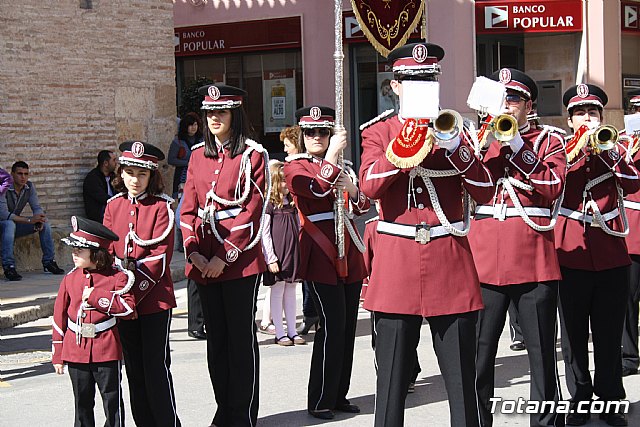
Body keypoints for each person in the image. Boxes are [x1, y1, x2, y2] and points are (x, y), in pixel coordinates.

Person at [358, 42, 494, 427]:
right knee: (392, 381)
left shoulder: (459, 129)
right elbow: (369, 186)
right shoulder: (379, 131)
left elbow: (485, 192)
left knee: (462, 379)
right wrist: (403, 148)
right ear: (395, 86)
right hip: (398, 259)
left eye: (428, 80)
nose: (421, 86)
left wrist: (456, 150)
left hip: (448, 258)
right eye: (412, 80)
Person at [468, 68, 566, 427]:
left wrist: (518, 146)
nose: (506, 104)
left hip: (532, 258)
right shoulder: (479, 140)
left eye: (513, 98)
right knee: (478, 354)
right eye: (501, 98)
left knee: (541, 354)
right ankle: (478, 420)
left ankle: (546, 422)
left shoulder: (549, 140)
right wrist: (477, 148)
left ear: (529, 105)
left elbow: (553, 186)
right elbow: (465, 188)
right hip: (484, 260)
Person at [180, 83, 269, 427]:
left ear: (235, 114)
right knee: (216, 342)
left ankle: (242, 414)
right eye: (210, 113)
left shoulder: (253, 155)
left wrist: (225, 256)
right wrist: (194, 253)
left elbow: (252, 211)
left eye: (222, 112)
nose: (214, 118)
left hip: (240, 261)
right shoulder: (196, 155)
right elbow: (188, 209)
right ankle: (223, 409)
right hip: (203, 259)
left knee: (239, 340)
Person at [555, 84, 640, 426]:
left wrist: (607, 151)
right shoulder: (559, 148)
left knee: (608, 333)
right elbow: (551, 184)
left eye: (592, 113)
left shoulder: (617, 147)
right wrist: (577, 149)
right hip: (571, 252)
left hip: (610, 253)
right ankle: (579, 396)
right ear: (570, 120)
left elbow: (632, 183)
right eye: (580, 114)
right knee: (573, 336)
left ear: (602, 117)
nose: (586, 119)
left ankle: (610, 398)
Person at [284, 105, 369, 420]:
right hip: (320, 252)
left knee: (346, 328)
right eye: (311, 132)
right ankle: (320, 398)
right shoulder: (295, 166)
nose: (317, 137)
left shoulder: (344, 166)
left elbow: (362, 205)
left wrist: (352, 189)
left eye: (323, 132)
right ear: (302, 135)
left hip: (349, 248)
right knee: (331, 326)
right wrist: (333, 155)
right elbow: (316, 189)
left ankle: (338, 394)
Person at [103, 141, 181, 427]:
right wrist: (117, 294)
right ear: (121, 173)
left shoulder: (162, 207)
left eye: (142, 174)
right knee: (134, 369)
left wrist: (131, 295)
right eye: (130, 173)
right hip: (123, 302)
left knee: (155, 368)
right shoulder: (113, 206)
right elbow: (107, 254)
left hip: (153, 299)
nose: (135, 180)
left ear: (152, 176)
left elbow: (159, 258)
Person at [52, 216, 135, 427]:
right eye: (74, 249)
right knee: (82, 404)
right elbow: (59, 317)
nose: (74, 253)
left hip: (106, 348)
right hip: (76, 349)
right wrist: (58, 355)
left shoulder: (117, 277)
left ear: (96, 252)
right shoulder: (70, 278)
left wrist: (96, 296)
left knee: (112, 402)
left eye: (80, 250)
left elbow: (128, 308)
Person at [279, 125, 320, 335]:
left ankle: (312, 313)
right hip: (296, 228)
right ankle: (310, 313)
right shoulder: (291, 167)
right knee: (303, 277)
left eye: (288, 145)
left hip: (309, 227)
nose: (285, 150)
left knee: (310, 276)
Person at [261, 160, 304, 346]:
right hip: (277, 254)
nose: (286, 185)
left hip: (292, 251)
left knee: (291, 289)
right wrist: (270, 258)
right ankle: (280, 332)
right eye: (282, 181)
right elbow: (264, 233)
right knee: (277, 290)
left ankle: (292, 330)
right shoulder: (269, 205)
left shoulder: (292, 204)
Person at [0, 161, 64, 281]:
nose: (23, 177)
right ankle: (9, 266)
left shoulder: (29, 187)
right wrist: (29, 220)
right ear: (12, 174)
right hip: (3, 225)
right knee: (9, 224)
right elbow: (3, 214)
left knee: (45, 223)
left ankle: (49, 262)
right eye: (19, 173)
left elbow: (36, 207)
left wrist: (39, 218)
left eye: (26, 174)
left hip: (13, 226)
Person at [622, 89, 640, 378]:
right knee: (627, 297)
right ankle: (628, 355)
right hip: (632, 229)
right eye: (636, 110)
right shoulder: (621, 143)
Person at [168, 112, 203, 198]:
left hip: (200, 174)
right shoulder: (178, 142)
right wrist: (188, 163)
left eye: (195, 124)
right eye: (190, 125)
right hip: (182, 176)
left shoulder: (202, 140)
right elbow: (171, 160)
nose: (193, 127)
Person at [83, 150, 117, 222]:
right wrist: (118, 202)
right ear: (106, 163)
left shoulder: (112, 176)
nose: (116, 163)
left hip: (113, 209)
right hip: (100, 215)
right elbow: (103, 198)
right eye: (114, 160)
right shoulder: (93, 178)